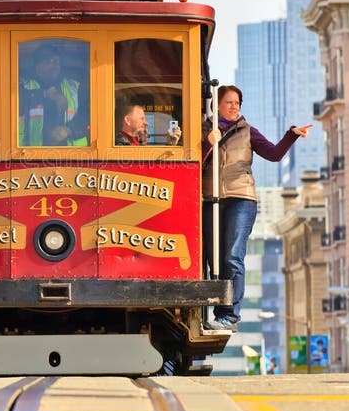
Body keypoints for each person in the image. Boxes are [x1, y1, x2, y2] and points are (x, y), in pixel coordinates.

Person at [202, 84, 312, 330]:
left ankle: (229, 315)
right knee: (213, 259)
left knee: (232, 255)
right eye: (229, 102)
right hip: (210, 199)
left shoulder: (248, 132)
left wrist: (291, 134)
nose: (234, 107)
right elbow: (192, 161)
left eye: (237, 103)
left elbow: (274, 154)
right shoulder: (205, 131)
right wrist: (208, 143)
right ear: (216, 105)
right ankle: (216, 311)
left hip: (241, 198)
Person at [19, 44, 88, 146]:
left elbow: (91, 114)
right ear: (38, 66)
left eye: (57, 61)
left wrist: (69, 130)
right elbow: (14, 103)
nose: (55, 65)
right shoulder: (25, 86)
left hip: (73, 157)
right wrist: (45, 94)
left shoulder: (74, 86)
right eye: (50, 61)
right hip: (33, 155)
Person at [115, 100, 182, 146]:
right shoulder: (120, 144)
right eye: (142, 118)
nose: (146, 123)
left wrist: (170, 143)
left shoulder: (138, 142)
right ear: (128, 120)